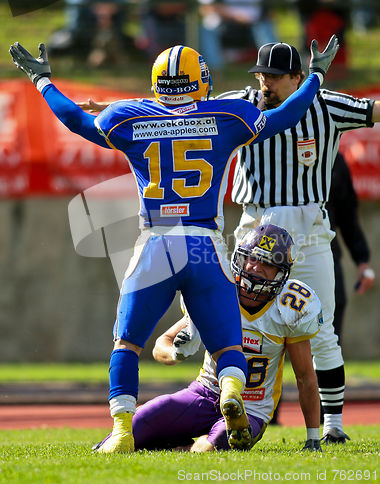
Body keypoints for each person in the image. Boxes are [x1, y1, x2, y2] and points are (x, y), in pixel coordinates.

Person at [9, 37, 338, 453]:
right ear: (201, 80)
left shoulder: (128, 117)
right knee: (227, 343)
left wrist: (42, 81)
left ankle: (123, 430)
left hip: (156, 243)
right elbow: (287, 115)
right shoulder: (228, 115)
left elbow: (75, 119)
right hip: (203, 242)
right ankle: (231, 392)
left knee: (126, 342)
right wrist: (315, 76)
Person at [227, 40, 380, 443]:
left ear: (299, 77)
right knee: (235, 325)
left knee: (322, 329)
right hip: (254, 229)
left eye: (275, 76)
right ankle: (225, 408)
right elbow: (179, 111)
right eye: (261, 74)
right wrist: (104, 111)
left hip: (309, 233)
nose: (265, 83)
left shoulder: (325, 104)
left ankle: (333, 427)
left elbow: (374, 111)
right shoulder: (242, 102)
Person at [93, 224, 323, 452]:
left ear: (281, 273)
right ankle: (176, 444)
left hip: (251, 407)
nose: (254, 267)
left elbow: (305, 377)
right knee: (138, 427)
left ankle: (190, 443)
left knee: (209, 447)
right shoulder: (220, 291)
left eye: (267, 264)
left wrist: (313, 438)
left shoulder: (290, 307)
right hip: (204, 393)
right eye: (251, 258)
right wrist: (176, 352)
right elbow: (160, 345)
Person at [327, 152, 375, 342]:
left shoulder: (333, 158)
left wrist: (362, 260)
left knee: (330, 331)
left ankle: (324, 373)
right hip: (281, 254)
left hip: (326, 252)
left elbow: (347, 215)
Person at [196, 0, 278, 70]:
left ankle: (274, 67)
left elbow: (268, 9)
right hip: (224, 24)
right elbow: (206, 8)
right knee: (208, 29)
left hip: (255, 24)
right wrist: (236, 17)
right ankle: (214, 70)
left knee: (265, 27)